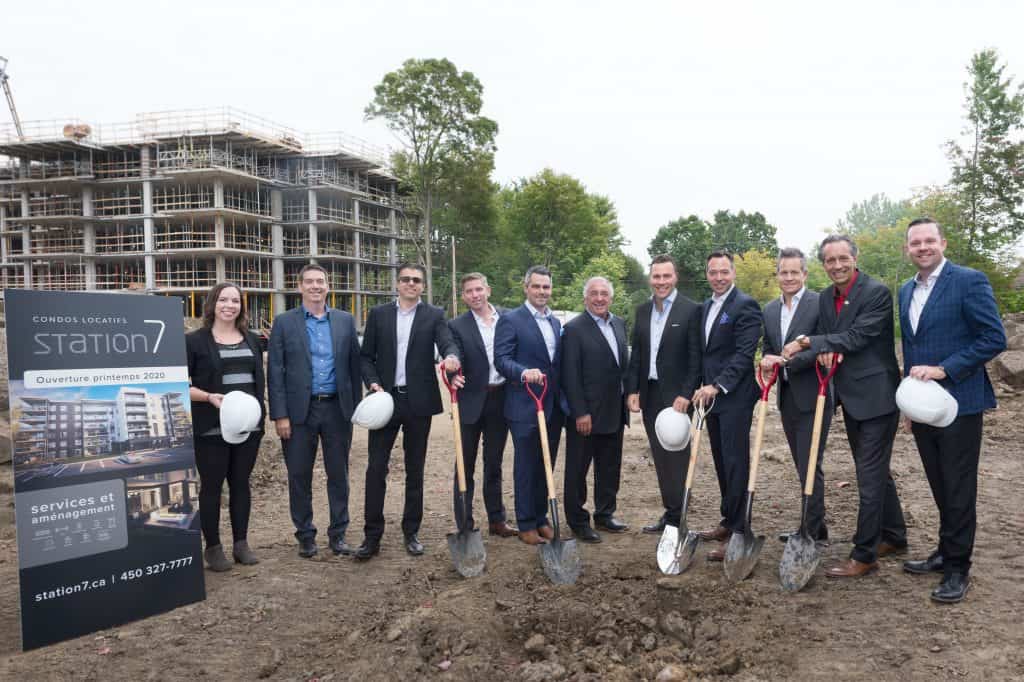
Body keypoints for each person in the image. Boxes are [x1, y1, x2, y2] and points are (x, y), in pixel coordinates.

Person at [783, 234, 907, 578]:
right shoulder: (826, 297)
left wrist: (807, 342)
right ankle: (894, 535)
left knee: (868, 476)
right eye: (830, 260)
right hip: (850, 398)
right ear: (823, 264)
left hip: (878, 397)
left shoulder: (876, 292)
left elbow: (856, 337)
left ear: (855, 257)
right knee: (876, 472)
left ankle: (865, 554)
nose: (837, 265)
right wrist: (808, 354)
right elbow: (831, 339)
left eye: (842, 258)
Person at [897, 218, 1006, 602]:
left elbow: (993, 338)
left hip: (960, 402)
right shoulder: (905, 290)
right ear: (907, 249)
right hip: (924, 407)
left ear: (943, 243)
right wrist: (909, 405)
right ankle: (945, 552)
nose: (923, 247)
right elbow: (912, 349)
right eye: (916, 243)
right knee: (939, 483)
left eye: (929, 240)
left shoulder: (968, 281)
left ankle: (958, 568)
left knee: (958, 487)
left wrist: (946, 369)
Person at [357, 262, 462, 560]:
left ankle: (411, 531)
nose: (411, 284)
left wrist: (451, 357)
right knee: (376, 468)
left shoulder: (434, 315)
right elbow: (366, 357)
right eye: (405, 279)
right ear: (397, 283)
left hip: (418, 403)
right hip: (385, 401)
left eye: (416, 280)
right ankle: (372, 536)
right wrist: (373, 383)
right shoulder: (379, 314)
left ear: (423, 286)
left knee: (415, 469)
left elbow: (447, 343)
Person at [267, 264, 362, 559]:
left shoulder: (345, 321)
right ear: (300, 287)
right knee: (299, 475)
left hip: (337, 409)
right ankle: (305, 535)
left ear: (328, 286)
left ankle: (338, 534)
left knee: (338, 474)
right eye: (309, 282)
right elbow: (275, 371)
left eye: (320, 281)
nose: (315, 286)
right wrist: (280, 415)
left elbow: (354, 366)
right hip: (299, 412)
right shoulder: (284, 322)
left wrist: (355, 409)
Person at [187, 282, 266, 571]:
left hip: (248, 427)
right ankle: (213, 548)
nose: (229, 305)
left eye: (235, 300)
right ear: (212, 304)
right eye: (223, 300)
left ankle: (241, 544)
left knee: (241, 484)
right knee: (212, 487)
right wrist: (208, 397)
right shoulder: (194, 341)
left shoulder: (252, 339)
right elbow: (181, 385)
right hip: (211, 428)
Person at [692, 251, 763, 561]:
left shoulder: (745, 305)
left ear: (733, 273)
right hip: (711, 399)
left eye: (724, 272)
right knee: (721, 460)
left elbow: (744, 354)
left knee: (735, 462)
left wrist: (718, 385)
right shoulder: (706, 306)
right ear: (707, 274)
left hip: (734, 396)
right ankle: (728, 519)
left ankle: (740, 530)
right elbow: (706, 353)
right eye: (713, 272)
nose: (718, 277)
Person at [625, 254, 702, 535]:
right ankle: (671, 513)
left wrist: (687, 393)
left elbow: (696, 358)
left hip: (677, 399)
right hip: (650, 394)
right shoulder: (643, 310)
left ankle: (679, 519)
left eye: (666, 276)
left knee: (678, 458)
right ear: (650, 279)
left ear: (675, 277)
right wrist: (632, 389)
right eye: (656, 276)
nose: (661, 282)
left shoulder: (691, 310)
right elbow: (637, 354)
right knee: (660, 457)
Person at [760, 248, 832, 544]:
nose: (788, 277)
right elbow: (769, 347)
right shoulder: (770, 310)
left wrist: (786, 361)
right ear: (777, 275)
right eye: (783, 272)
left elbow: (823, 345)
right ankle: (816, 524)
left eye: (794, 272)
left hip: (816, 394)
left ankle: (811, 531)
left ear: (805, 274)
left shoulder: (820, 303)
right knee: (802, 464)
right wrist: (767, 360)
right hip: (787, 396)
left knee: (810, 463)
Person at [494, 265, 567, 546]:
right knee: (526, 465)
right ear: (526, 288)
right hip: (524, 405)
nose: (541, 291)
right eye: (536, 286)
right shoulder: (511, 320)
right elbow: (501, 359)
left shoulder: (555, 322)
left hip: (552, 406)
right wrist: (524, 373)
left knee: (545, 464)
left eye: (546, 287)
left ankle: (540, 518)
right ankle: (525, 523)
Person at [447, 273, 517, 538]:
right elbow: (453, 352)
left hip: (501, 398)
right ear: (463, 296)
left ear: (488, 290)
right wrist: (452, 373)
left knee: (494, 463)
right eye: (469, 291)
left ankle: (497, 520)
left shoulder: (508, 317)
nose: (475, 295)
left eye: (478, 289)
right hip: (470, 400)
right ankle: (464, 523)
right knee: (464, 465)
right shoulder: (457, 325)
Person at [561, 276, 630, 543]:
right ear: (585, 298)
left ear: (610, 297)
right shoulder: (574, 329)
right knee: (578, 470)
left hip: (614, 411)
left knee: (609, 467)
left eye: (604, 293)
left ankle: (605, 513)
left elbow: (621, 367)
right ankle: (578, 521)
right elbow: (570, 374)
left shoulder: (619, 324)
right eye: (594, 293)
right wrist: (580, 411)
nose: (599, 298)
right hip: (586, 415)